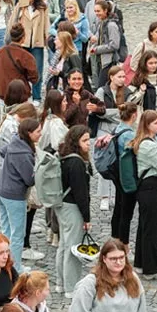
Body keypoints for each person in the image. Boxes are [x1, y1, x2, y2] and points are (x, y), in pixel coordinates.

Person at [0, 118, 40, 272]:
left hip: (0, 190)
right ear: (29, 133)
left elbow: (2, 152)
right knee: (17, 234)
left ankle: (4, 263)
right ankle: (15, 268)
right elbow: (29, 179)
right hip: (14, 195)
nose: (40, 134)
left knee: (6, 230)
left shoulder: (15, 141)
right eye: (38, 132)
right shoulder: (24, 153)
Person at [129, 110, 157, 279]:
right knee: (153, 229)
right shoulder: (149, 145)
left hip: (149, 189)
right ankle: (151, 269)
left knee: (144, 227)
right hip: (151, 188)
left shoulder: (148, 141)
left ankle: (140, 263)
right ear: (147, 125)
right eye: (156, 123)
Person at [54, 126, 92, 297]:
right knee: (73, 247)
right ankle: (71, 287)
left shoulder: (64, 155)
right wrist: (87, 217)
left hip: (62, 205)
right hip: (72, 207)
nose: (88, 144)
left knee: (63, 245)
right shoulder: (76, 162)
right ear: (76, 141)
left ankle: (60, 283)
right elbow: (81, 193)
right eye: (84, 140)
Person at [108, 103, 140, 245]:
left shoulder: (117, 128)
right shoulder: (129, 135)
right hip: (127, 176)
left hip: (117, 173)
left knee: (118, 207)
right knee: (126, 212)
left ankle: (114, 237)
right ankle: (123, 244)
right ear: (134, 115)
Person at [127, 50, 157, 134]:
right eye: (150, 63)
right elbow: (129, 102)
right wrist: (140, 92)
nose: (154, 66)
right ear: (144, 64)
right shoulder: (137, 81)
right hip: (143, 124)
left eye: (156, 63)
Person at [19, 0, 51, 98]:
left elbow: (47, 25)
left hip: (37, 42)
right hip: (23, 42)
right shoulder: (21, 6)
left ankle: (37, 96)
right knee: (22, 70)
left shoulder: (42, 8)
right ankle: (24, 94)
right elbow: (13, 23)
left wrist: (48, 40)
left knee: (37, 70)